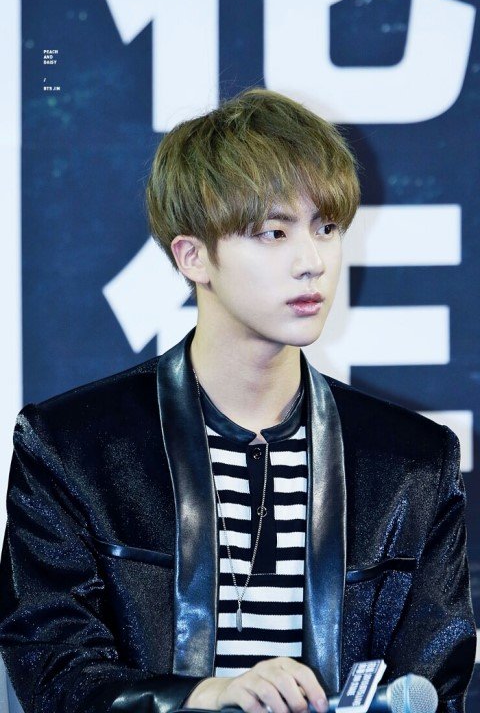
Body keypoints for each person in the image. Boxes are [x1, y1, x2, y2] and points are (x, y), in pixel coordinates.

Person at [0, 89, 476, 713]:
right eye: (273, 233)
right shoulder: (71, 449)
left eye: (326, 228)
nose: (312, 263)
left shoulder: (413, 463)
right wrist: (208, 697)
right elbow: (54, 670)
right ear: (193, 255)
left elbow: (432, 687)